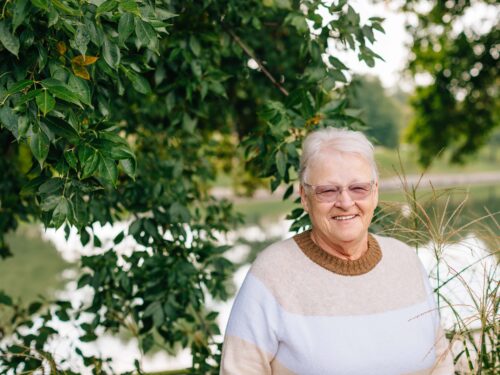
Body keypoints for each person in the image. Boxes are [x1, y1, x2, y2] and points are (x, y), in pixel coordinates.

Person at [220, 127, 454, 374]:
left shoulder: (405, 260)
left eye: (358, 188)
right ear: (304, 196)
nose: (344, 202)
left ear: (374, 192)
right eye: (328, 190)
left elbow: (440, 360)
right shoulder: (272, 273)